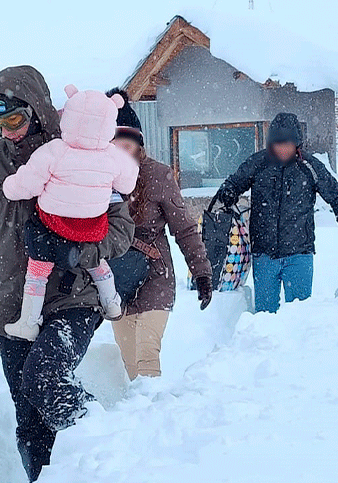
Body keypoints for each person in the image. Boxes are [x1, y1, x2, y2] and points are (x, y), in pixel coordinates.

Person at [0, 66, 134, 482]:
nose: (6, 131)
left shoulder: (82, 153)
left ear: (37, 110)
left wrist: (80, 252)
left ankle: (110, 453)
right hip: (9, 307)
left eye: (14, 120)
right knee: (30, 416)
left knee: (45, 377)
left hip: (72, 296)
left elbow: (123, 229)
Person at [2, 85, 139, 341]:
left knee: (38, 268)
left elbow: (29, 183)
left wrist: (10, 187)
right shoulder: (112, 155)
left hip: (54, 223)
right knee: (96, 261)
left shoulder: (55, 150)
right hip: (92, 225)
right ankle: (112, 301)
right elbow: (127, 183)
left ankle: (28, 322)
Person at [105, 88, 213, 381]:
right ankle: (138, 421)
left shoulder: (158, 175)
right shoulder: (99, 179)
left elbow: (185, 229)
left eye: (127, 145)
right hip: (117, 282)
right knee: (130, 365)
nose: (121, 153)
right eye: (115, 145)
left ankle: (155, 419)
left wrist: (201, 273)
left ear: (139, 146)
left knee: (146, 355)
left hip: (156, 275)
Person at [216, 112, 338, 313]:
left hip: (299, 255)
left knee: (300, 317)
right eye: (278, 143)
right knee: (264, 318)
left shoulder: (310, 167)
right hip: (264, 255)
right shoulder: (258, 163)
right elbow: (232, 183)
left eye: (287, 143)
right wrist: (228, 192)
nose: (282, 148)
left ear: (297, 143)